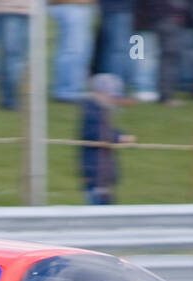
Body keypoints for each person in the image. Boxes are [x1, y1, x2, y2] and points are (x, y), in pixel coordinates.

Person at [78, 72, 134, 204]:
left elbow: (107, 130)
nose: (113, 101)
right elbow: (98, 133)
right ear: (99, 94)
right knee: (98, 210)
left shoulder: (99, 111)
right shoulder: (91, 112)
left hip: (103, 174)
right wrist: (120, 138)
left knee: (107, 207)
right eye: (111, 96)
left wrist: (121, 135)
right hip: (95, 174)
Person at [50, 0, 94, 103]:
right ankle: (66, 91)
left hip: (83, 7)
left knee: (83, 51)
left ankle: (74, 88)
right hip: (69, 5)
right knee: (73, 50)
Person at [0, 0, 27, 109]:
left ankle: (8, 97)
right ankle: (9, 98)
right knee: (12, 55)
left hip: (25, 10)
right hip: (10, 8)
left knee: (14, 56)